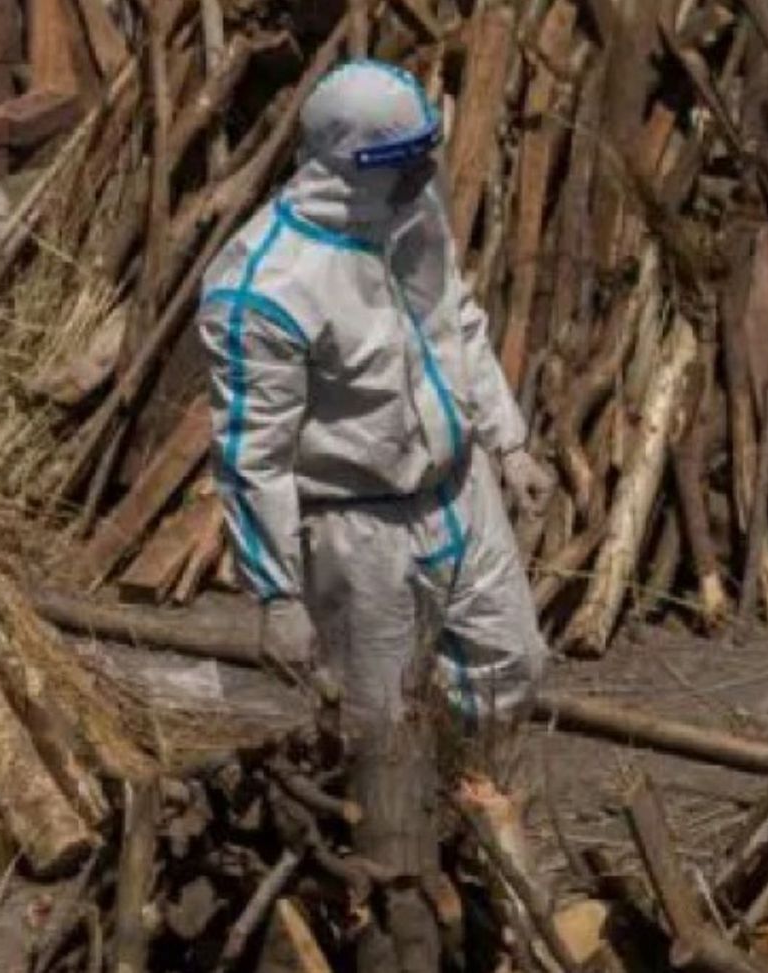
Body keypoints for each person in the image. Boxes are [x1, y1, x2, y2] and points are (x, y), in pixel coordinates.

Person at [196, 59, 554, 970]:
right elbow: (253, 456)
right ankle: (398, 904)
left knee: (509, 663)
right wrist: (274, 588)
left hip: (455, 489)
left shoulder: (410, 213)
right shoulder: (265, 286)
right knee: (383, 731)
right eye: (402, 159)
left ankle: (472, 830)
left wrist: (506, 439)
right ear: (346, 161)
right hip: (358, 531)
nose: (422, 174)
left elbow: (455, 321)